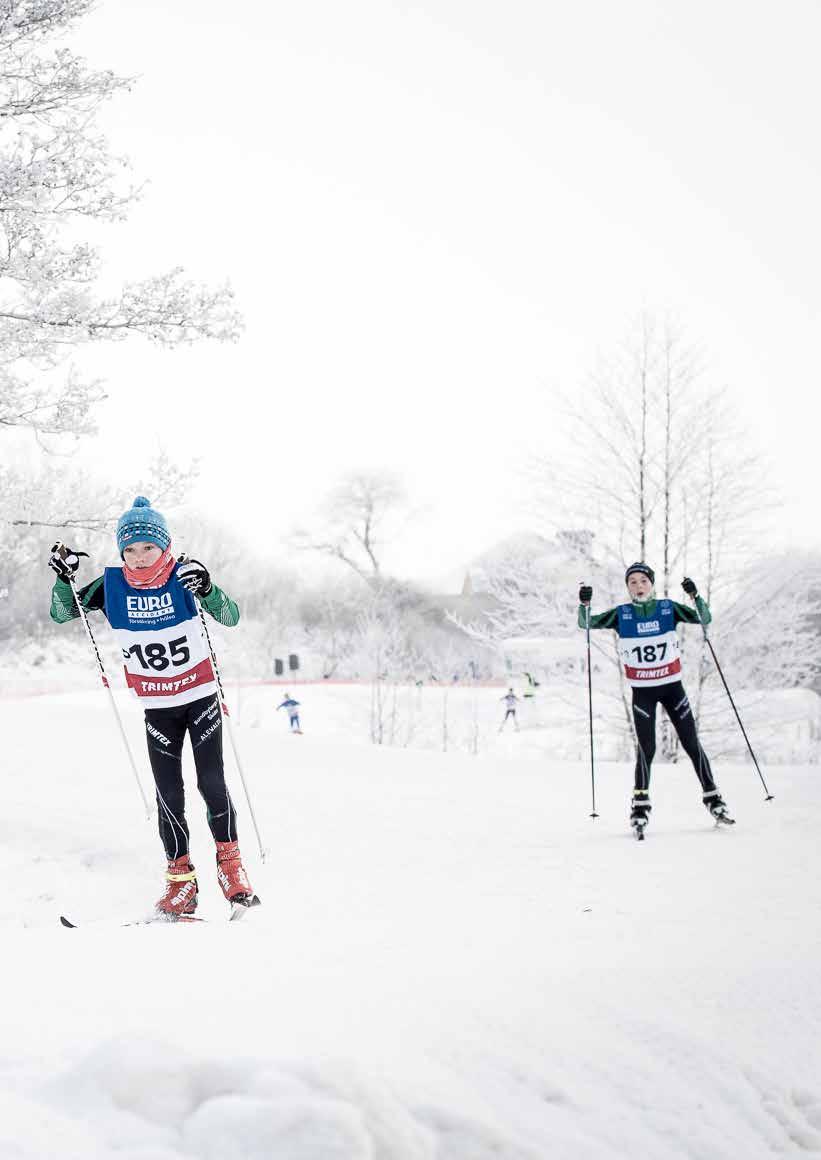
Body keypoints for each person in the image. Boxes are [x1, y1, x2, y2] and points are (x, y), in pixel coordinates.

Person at [48, 496, 258, 917]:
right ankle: (181, 881)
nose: (139, 558)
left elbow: (231, 616)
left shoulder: (185, 575)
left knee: (211, 782)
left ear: (164, 546)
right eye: (130, 550)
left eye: (147, 548)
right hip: (157, 706)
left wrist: (210, 589)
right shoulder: (111, 586)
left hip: (198, 697)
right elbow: (63, 611)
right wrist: (63, 579)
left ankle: (231, 867)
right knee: (168, 792)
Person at [578, 562, 734, 838]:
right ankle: (640, 806)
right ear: (628, 587)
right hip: (643, 693)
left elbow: (704, 617)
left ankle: (714, 799)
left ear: (651, 584)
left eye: (643, 581)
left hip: (672, 689)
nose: (638, 586)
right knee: (646, 749)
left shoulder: (667, 608)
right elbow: (586, 624)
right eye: (633, 582)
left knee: (690, 743)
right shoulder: (621, 614)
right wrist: (584, 604)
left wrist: (695, 596)